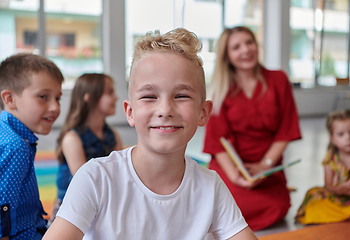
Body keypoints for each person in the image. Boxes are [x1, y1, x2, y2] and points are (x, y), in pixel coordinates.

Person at [43, 28, 258, 240]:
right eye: (149, 96)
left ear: (203, 113)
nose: (165, 110)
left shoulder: (211, 187)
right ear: (130, 112)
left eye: (181, 95)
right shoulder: (95, 178)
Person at [203, 26, 301, 231]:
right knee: (225, 204)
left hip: (267, 166)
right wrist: (236, 177)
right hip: (230, 167)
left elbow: (286, 129)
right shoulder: (221, 89)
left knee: (278, 206)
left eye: (249, 42)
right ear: (227, 56)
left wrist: (265, 165)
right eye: (236, 47)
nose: (246, 50)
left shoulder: (278, 79)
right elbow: (217, 141)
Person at [0, 53, 63, 240]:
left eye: (58, 98)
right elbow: (3, 208)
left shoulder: (7, 132)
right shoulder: (15, 146)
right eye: (43, 96)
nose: (55, 107)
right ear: (10, 99)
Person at [49, 73, 123, 223]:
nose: (116, 97)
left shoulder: (112, 135)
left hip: (103, 205)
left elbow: (122, 173)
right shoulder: (72, 139)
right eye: (109, 92)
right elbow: (86, 184)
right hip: (72, 210)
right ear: (89, 98)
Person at [295, 109, 350, 224]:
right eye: (341, 134)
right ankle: (349, 216)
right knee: (313, 196)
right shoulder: (330, 159)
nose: (348, 138)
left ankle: (346, 216)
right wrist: (339, 190)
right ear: (332, 139)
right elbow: (328, 186)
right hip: (337, 200)